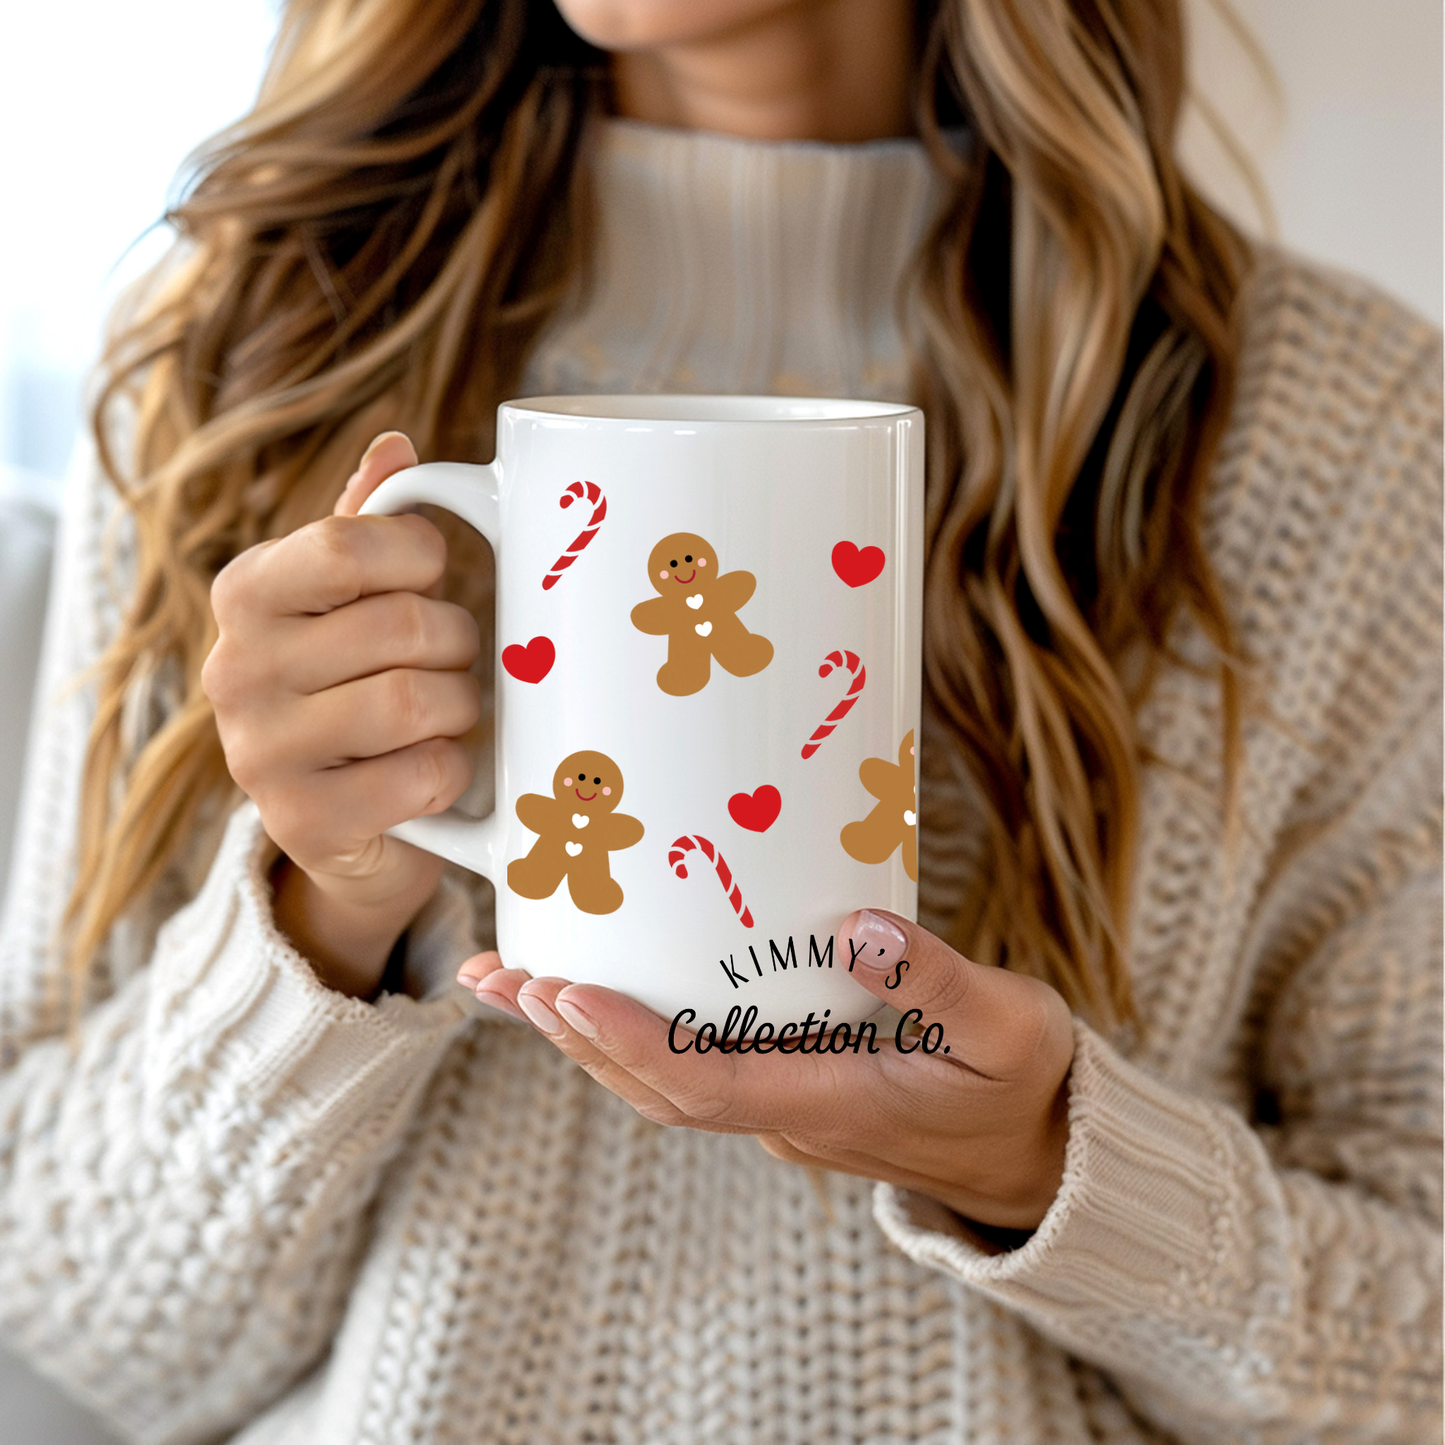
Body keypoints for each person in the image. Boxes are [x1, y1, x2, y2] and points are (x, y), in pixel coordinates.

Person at [0, 0, 1438, 1441]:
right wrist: (327, 909)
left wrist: (1043, 1166)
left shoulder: (1343, 440)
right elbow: (79, 1319)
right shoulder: (251, 347)